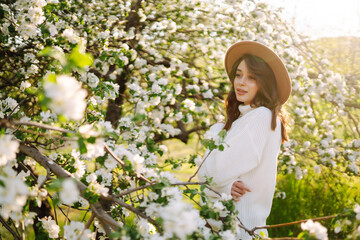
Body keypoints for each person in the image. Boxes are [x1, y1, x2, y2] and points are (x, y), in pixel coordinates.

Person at [197, 41, 291, 239]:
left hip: (242, 231)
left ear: (264, 83)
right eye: (238, 75)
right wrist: (224, 185)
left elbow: (212, 171)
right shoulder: (236, 123)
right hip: (222, 229)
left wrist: (219, 182)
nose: (240, 82)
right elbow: (203, 174)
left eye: (251, 78)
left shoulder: (262, 116)